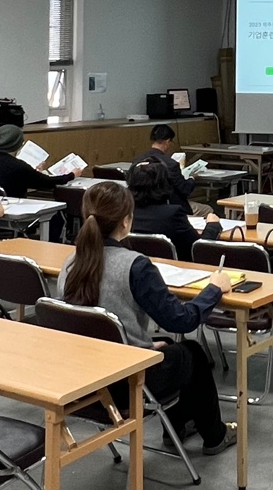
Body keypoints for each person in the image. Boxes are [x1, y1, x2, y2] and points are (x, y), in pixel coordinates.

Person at [57, 182, 237, 455]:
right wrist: (214, 289)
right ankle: (214, 436)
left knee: (167, 346)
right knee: (192, 352)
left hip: (84, 376)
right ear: (126, 221)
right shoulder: (135, 265)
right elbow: (182, 320)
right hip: (126, 381)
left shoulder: (70, 263)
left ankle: (178, 427)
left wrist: (138, 343)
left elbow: (94, 323)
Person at [0, 124, 84, 241]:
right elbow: (46, 183)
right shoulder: (19, 166)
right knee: (56, 216)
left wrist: (35, 173)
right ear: (20, 144)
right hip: (14, 218)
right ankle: (48, 246)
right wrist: (72, 175)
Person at [127, 158, 218, 261]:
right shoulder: (172, 214)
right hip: (176, 267)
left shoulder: (124, 212)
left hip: (135, 264)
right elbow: (198, 248)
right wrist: (213, 225)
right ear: (165, 183)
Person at [140, 124, 212, 218]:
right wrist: (192, 178)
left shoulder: (138, 161)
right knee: (208, 210)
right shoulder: (171, 164)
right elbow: (184, 189)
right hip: (170, 207)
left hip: (143, 206)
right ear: (167, 141)